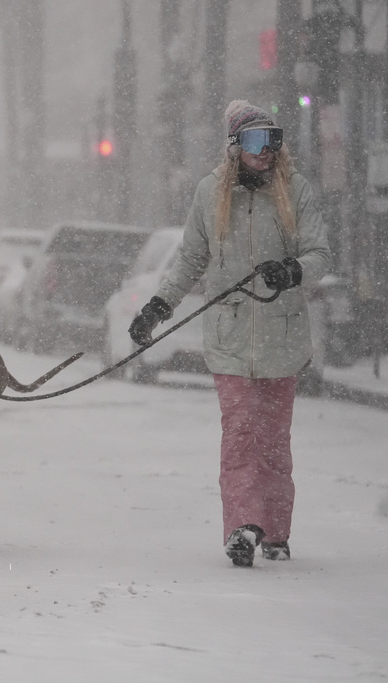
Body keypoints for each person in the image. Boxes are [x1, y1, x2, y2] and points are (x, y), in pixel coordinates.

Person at [128, 100, 332, 567]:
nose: (267, 151)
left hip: (283, 337)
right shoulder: (210, 193)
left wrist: (292, 270)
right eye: (258, 141)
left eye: (274, 140)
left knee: (273, 439)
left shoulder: (295, 191)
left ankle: (276, 530)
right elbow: (191, 260)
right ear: (236, 146)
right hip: (230, 336)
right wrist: (157, 308)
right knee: (239, 433)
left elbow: (320, 253)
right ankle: (242, 526)